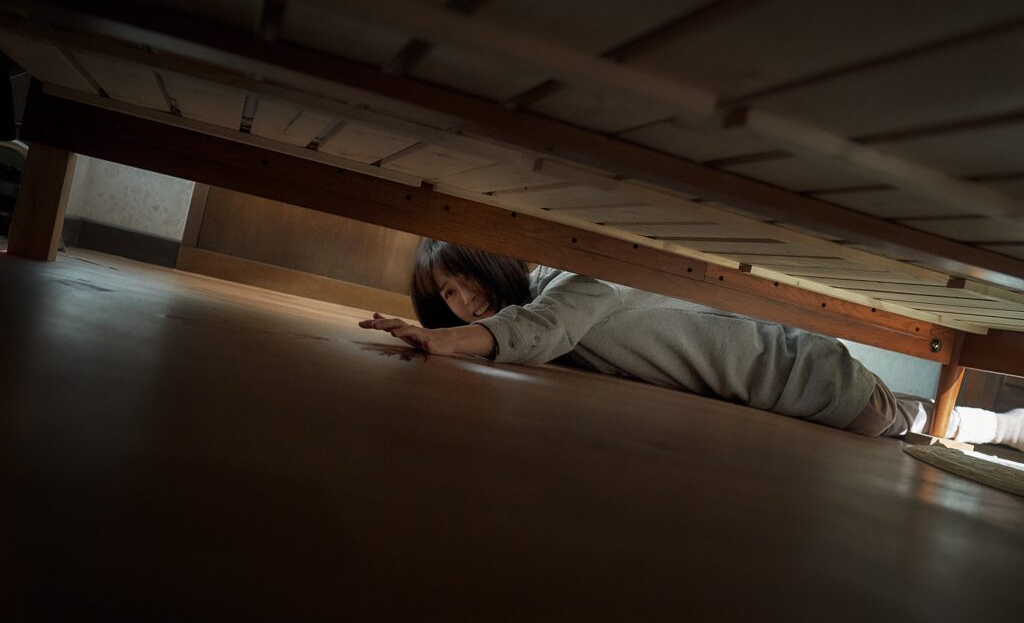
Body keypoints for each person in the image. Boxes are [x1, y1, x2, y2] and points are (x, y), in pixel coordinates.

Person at [359, 239, 1024, 451]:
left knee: (905, 422)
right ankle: (984, 425)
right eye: (446, 296)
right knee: (903, 422)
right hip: (787, 387)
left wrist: (444, 342)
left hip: (804, 379)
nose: (464, 300)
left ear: (492, 262)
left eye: (465, 280)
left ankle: (997, 424)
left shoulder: (574, 282)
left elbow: (534, 332)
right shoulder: (544, 311)